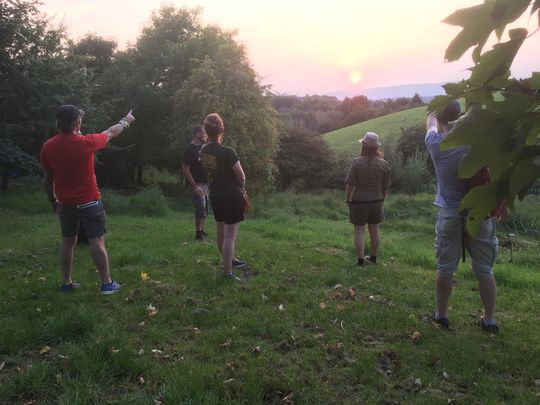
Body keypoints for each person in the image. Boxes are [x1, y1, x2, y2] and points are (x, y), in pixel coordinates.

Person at [40, 104, 135, 294]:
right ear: (77, 122)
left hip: (65, 204)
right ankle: (107, 284)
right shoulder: (87, 142)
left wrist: (52, 200)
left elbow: (48, 177)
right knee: (97, 241)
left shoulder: (48, 147)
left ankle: (66, 284)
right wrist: (126, 121)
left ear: (58, 123)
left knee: (67, 242)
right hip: (90, 202)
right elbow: (110, 132)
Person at [425, 100, 499, 332]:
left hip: (449, 212)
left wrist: (432, 115)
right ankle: (489, 320)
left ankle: (441, 315)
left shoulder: (436, 144)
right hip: (478, 212)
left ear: (441, 121)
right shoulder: (476, 144)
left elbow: (429, 126)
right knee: (485, 269)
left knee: (445, 267)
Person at [200, 113, 247, 280]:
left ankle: (228, 260)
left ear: (206, 131)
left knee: (221, 233)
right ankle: (227, 272)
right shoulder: (228, 152)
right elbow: (241, 176)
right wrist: (243, 187)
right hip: (231, 196)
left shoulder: (203, 150)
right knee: (230, 236)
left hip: (215, 196)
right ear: (221, 130)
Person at [345, 132, 391, 266]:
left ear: (364, 146)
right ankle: (373, 258)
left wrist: (347, 199)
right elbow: (386, 186)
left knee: (359, 231)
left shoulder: (356, 162)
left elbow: (350, 184)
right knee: (374, 230)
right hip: (377, 201)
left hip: (359, 202)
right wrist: (382, 199)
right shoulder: (384, 164)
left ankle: (360, 261)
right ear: (377, 147)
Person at [182, 125, 209, 241]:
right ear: (197, 134)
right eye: (203, 133)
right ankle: (198, 233)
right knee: (200, 207)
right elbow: (185, 169)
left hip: (207, 182)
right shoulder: (189, 149)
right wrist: (194, 186)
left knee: (205, 208)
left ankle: (202, 230)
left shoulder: (204, 147)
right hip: (197, 183)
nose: (205, 135)